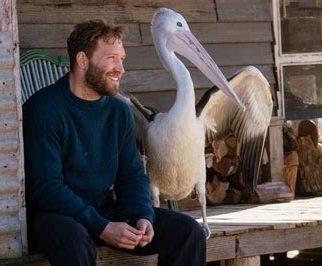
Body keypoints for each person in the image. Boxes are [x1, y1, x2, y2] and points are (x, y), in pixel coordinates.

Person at [23, 19, 206, 266]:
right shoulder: (44, 110)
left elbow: (131, 176)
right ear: (82, 61)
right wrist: (102, 227)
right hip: (55, 217)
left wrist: (142, 216)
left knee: (188, 232)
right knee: (75, 242)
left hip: (104, 212)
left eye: (122, 59)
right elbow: (46, 189)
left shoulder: (118, 113)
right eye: (111, 58)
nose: (120, 68)